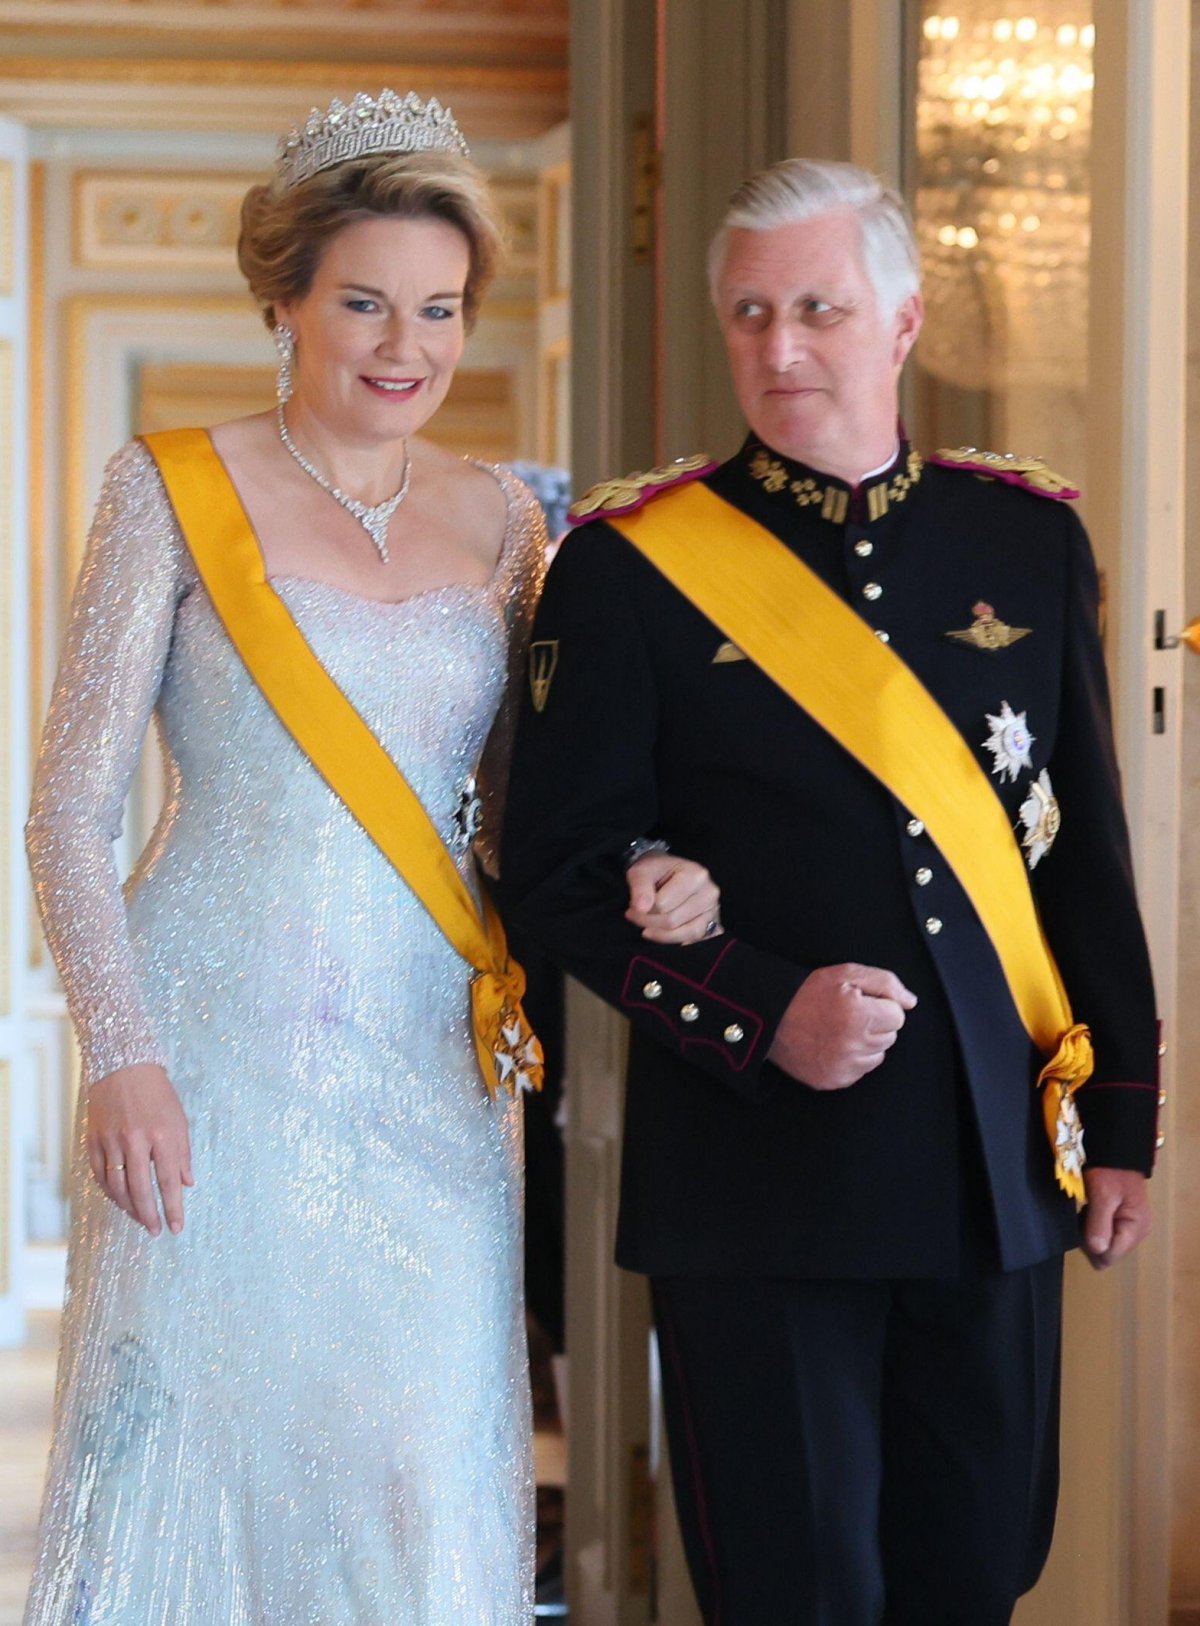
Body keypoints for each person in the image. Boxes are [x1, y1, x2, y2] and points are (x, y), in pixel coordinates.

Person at [22, 90, 720, 1625]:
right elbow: (67, 808)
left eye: (441, 309)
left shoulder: (503, 527)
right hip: (210, 1063)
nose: (403, 345)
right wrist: (119, 1053)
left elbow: (553, 803)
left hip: (430, 1062)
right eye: (362, 302)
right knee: (209, 1443)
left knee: (413, 1462)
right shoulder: (170, 489)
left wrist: (654, 866)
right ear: (283, 298)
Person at [500, 157, 1160, 1626]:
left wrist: (1120, 1121)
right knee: (801, 1592)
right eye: (749, 313)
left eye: (818, 307)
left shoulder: (1027, 542)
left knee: (979, 1569)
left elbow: (1081, 855)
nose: (780, 346)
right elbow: (556, 870)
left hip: (995, 1164)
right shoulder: (629, 569)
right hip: (761, 1189)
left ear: (904, 317)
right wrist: (759, 1012)